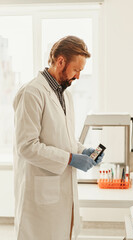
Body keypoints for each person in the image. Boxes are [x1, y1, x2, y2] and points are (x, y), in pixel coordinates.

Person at [13, 36, 104, 240]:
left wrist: (82, 151)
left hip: (61, 192)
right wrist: (71, 159)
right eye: (76, 70)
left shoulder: (65, 94)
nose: (78, 76)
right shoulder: (32, 93)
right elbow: (26, 146)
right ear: (60, 61)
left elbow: (62, 139)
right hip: (40, 195)